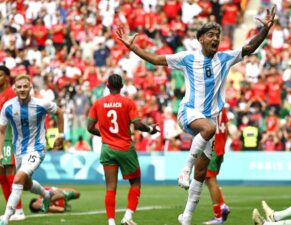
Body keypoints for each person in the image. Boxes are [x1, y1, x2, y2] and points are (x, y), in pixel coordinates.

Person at [116, 5, 276, 225]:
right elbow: (154, 59)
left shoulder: (226, 58)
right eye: (210, 35)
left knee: (201, 174)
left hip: (209, 119)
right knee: (208, 133)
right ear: (200, 39)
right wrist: (132, 47)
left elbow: (249, 47)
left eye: (217, 36)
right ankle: (184, 170)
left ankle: (187, 218)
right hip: (189, 112)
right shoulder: (187, 59)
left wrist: (265, 30)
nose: (215, 39)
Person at [87, 74, 159, 225]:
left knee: (110, 187)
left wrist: (105, 134)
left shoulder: (98, 103)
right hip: (125, 148)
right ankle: (127, 217)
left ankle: (111, 222)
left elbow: (89, 127)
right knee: (135, 183)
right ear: (121, 86)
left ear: (107, 86)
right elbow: (138, 125)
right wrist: (151, 129)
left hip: (107, 149)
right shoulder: (127, 102)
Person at [0, 75, 65, 225]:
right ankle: (47, 195)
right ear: (15, 89)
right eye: (19, 87)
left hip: (37, 149)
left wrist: (61, 135)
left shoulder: (41, 104)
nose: (22, 89)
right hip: (19, 151)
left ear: (30, 88)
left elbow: (60, 112)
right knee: (26, 184)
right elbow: (2, 131)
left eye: (25, 86)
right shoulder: (8, 107)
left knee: (17, 179)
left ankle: (6, 218)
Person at [0, 66, 25, 221]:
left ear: (7, 77)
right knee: (2, 176)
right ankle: (10, 209)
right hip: (1, 138)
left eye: (1, 75)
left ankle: (19, 210)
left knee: (10, 172)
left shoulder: (10, 94)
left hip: (9, 138)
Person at [203, 108, 231, 225]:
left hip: (212, 146)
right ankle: (223, 206)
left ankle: (218, 215)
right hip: (219, 147)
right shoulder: (221, 107)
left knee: (210, 178)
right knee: (208, 179)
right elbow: (226, 129)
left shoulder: (207, 106)